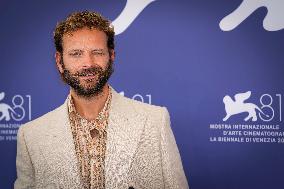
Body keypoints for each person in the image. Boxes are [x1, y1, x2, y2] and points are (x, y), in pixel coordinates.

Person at [14, 11, 189, 189]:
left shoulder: (155, 121)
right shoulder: (31, 136)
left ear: (111, 56)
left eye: (97, 52)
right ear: (59, 61)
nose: (88, 63)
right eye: (76, 54)